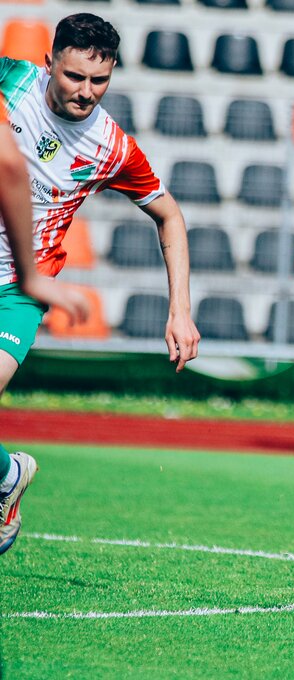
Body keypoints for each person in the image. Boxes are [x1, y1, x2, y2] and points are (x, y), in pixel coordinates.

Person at [0, 13, 200, 555]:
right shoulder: (9, 79)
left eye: (100, 80)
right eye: (74, 76)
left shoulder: (110, 146)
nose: (86, 92)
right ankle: (8, 476)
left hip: (20, 291)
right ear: (48, 63)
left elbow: (170, 216)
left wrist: (180, 310)